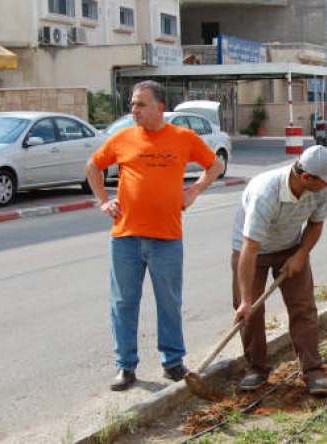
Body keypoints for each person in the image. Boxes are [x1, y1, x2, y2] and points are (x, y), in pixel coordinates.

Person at [85, 80, 225, 391]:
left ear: (160, 107)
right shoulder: (122, 139)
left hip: (167, 238)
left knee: (169, 301)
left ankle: (172, 362)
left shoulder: (183, 138)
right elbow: (93, 166)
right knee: (123, 303)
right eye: (133, 104)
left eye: (140, 104)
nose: (134, 109)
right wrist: (104, 200)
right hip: (126, 237)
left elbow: (215, 165)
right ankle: (125, 367)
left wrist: (194, 191)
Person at [232, 145, 327, 396]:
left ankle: (313, 372)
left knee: (303, 307)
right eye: (325, 182)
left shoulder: (319, 189)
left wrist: (301, 254)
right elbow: (249, 249)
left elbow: (316, 224)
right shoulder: (266, 192)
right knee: (250, 311)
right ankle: (257, 369)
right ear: (306, 177)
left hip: (291, 247)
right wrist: (246, 300)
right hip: (253, 251)